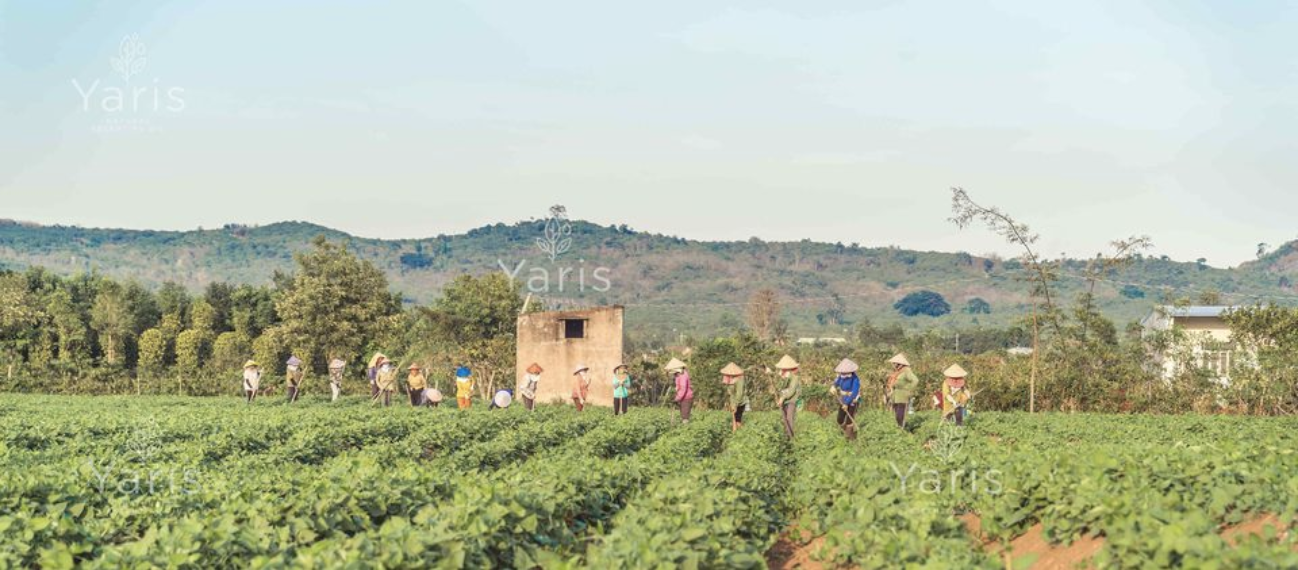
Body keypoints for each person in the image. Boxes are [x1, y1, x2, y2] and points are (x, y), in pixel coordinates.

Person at [885, 354, 919, 429]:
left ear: (900, 364)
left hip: (903, 396)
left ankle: (902, 429)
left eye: (895, 363)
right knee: (896, 415)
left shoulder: (907, 371)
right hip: (895, 396)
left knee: (900, 415)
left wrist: (907, 389)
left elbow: (915, 381)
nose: (893, 365)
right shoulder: (897, 372)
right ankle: (901, 429)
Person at [831, 358, 861, 440]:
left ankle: (849, 438)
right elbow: (836, 382)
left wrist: (847, 403)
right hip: (843, 399)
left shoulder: (855, 379)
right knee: (840, 419)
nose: (842, 373)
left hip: (852, 400)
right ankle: (846, 432)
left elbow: (854, 392)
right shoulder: (841, 376)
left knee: (849, 419)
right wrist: (833, 386)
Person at [775, 355, 801, 439]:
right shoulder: (782, 376)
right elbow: (779, 388)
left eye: (785, 369)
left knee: (789, 419)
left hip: (792, 400)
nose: (783, 370)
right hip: (783, 400)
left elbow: (791, 391)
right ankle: (787, 436)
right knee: (784, 419)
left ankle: (791, 438)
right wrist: (782, 379)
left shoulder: (795, 377)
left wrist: (782, 398)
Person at [721, 362, 747, 432]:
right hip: (733, 402)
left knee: (738, 421)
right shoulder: (730, 379)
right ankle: (734, 434)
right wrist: (731, 404)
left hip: (740, 402)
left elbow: (739, 394)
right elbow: (730, 393)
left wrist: (735, 405)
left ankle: (744, 434)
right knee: (734, 419)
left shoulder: (740, 380)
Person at [666, 358, 692, 423]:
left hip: (686, 398)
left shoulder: (683, 376)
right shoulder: (678, 375)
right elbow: (678, 386)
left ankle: (686, 430)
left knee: (685, 416)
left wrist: (677, 398)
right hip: (681, 397)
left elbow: (683, 389)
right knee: (683, 415)